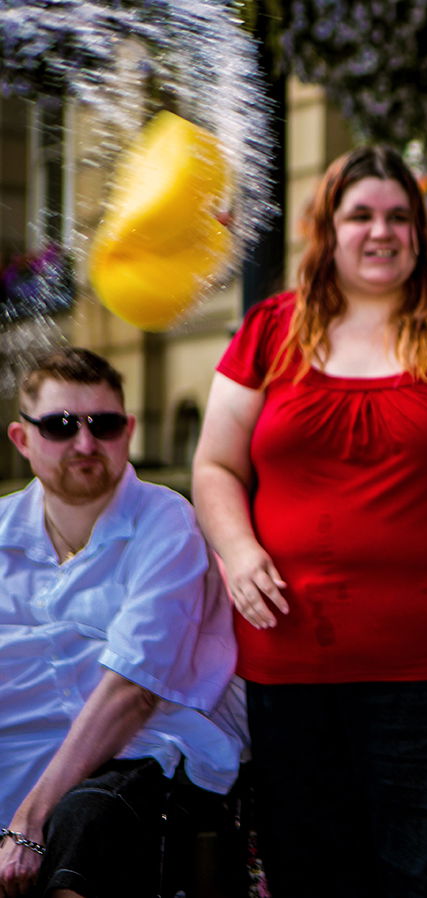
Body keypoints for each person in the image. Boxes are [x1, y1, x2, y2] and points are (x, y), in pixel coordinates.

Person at [192, 145, 427, 898]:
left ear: (421, 230)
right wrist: (236, 551)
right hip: (292, 666)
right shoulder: (270, 330)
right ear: (326, 229)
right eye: (359, 214)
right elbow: (215, 466)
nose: (381, 231)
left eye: (400, 216)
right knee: (308, 879)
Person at [1, 347, 243, 898]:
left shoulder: (166, 523)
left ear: (127, 431)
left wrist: (30, 823)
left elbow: (131, 694)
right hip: (19, 761)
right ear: (22, 439)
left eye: (103, 425)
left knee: (86, 824)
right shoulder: (1, 531)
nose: (85, 444)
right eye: (61, 426)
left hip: (140, 756)